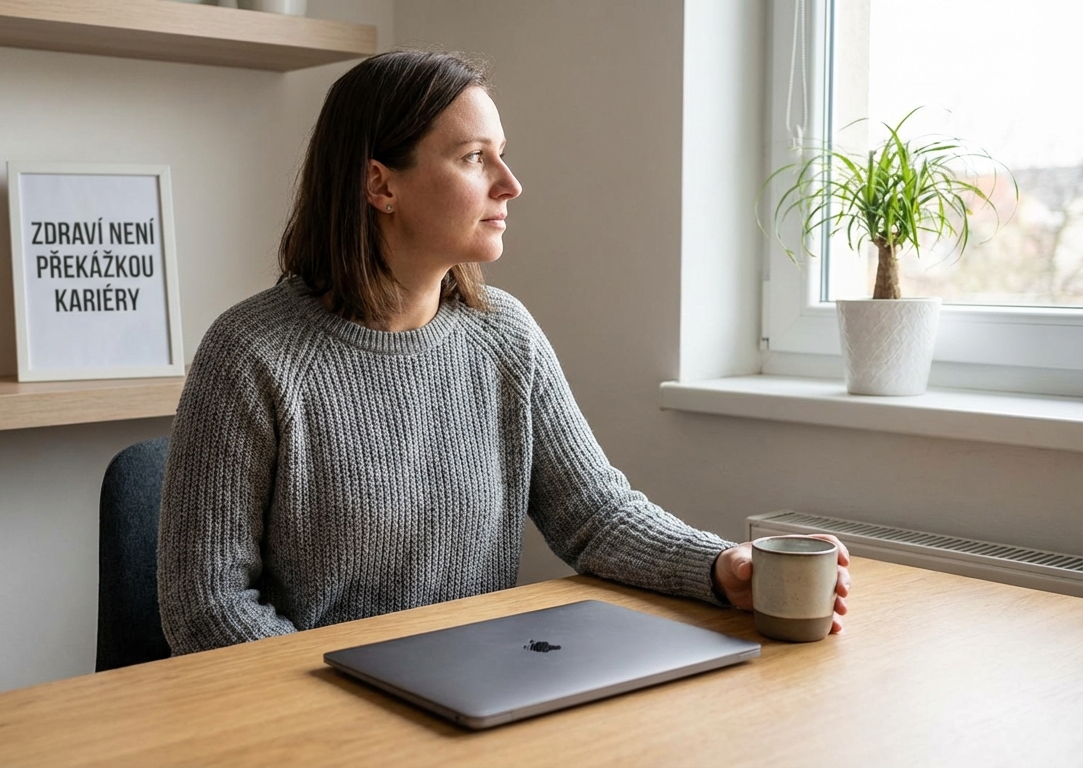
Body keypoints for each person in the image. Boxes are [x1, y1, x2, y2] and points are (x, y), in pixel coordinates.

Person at [157, 50, 850, 655]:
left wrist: (721, 565)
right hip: (319, 727)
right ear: (380, 184)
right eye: (472, 158)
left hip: (471, 698)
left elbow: (594, 515)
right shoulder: (250, 355)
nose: (509, 184)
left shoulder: (504, 335)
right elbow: (207, 610)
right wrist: (351, 699)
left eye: (501, 153)